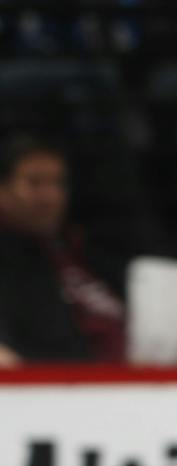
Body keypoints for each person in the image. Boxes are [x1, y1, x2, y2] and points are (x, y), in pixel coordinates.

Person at [0, 134, 126, 365]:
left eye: (57, 183)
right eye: (35, 183)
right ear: (3, 190)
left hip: (131, 384)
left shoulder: (80, 248)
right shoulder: (9, 259)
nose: (50, 196)